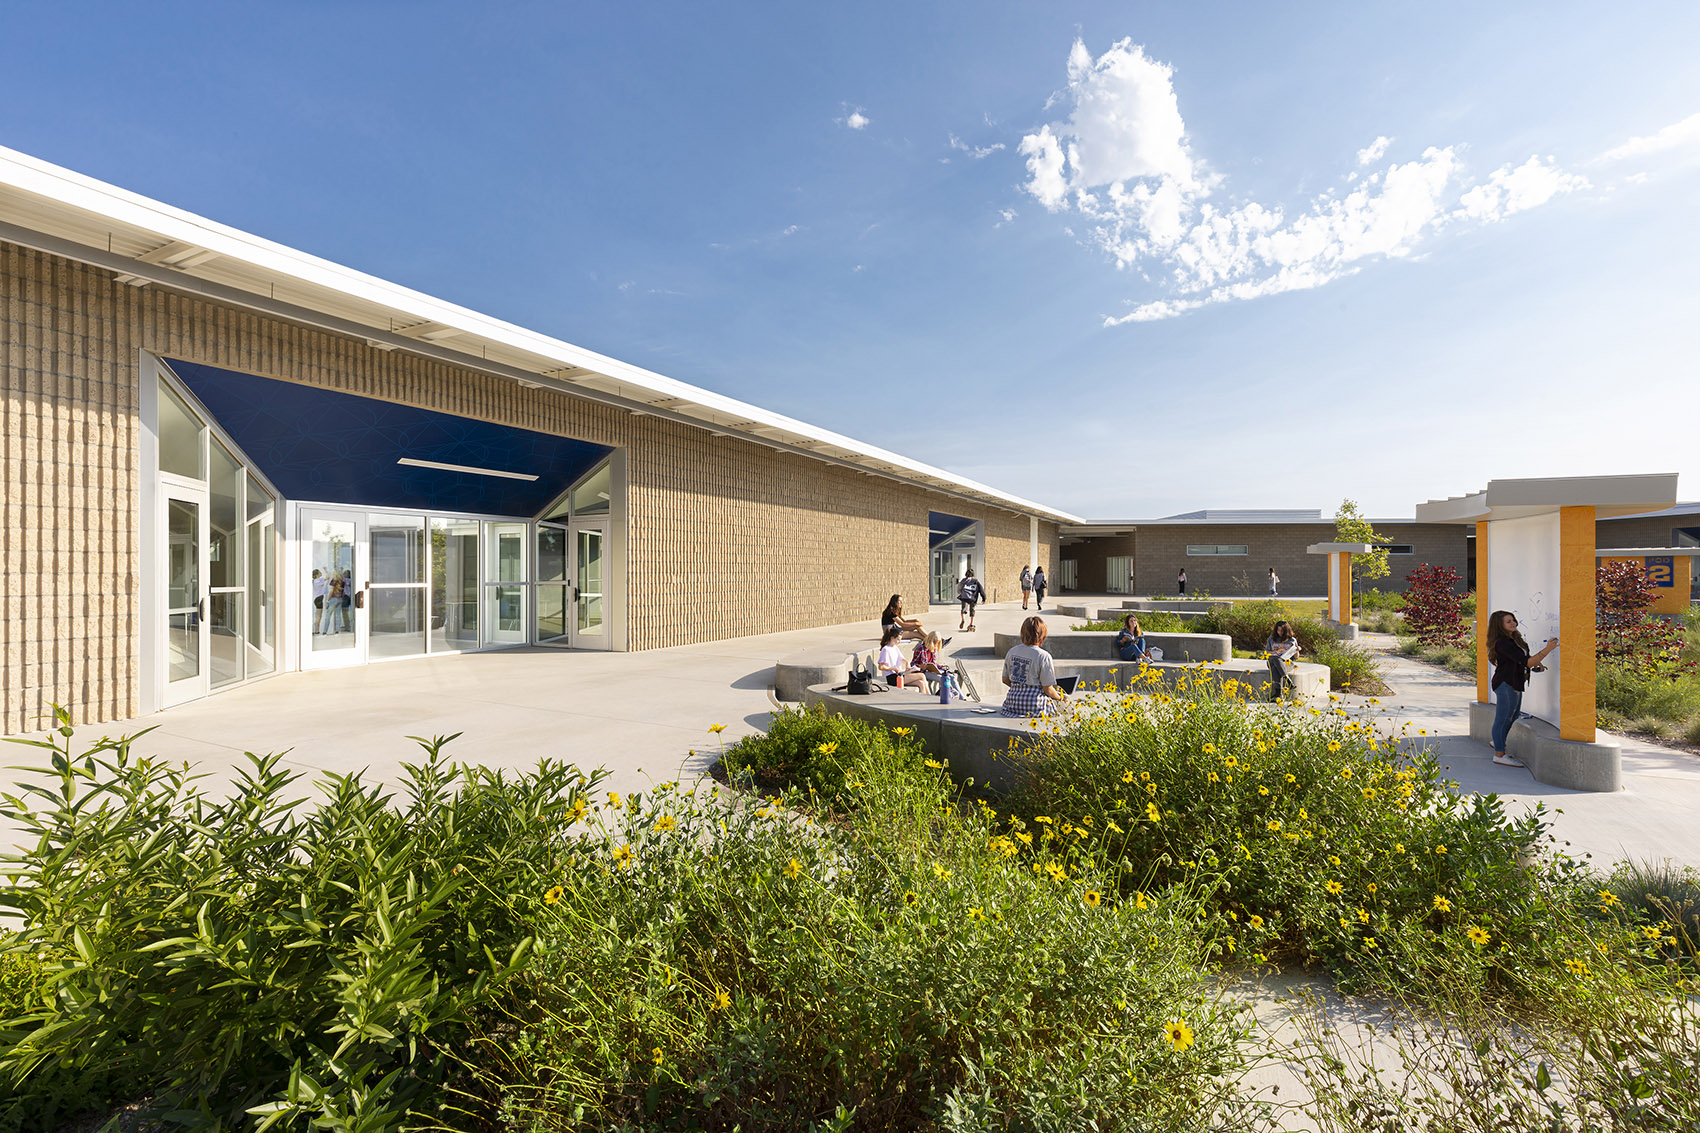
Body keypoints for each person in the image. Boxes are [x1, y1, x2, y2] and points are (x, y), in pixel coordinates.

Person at [1487, 610, 1559, 768]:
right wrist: (1548, 649)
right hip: (1506, 684)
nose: (1513, 623)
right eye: (1508, 621)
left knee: (1512, 717)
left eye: (1513, 620)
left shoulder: (1514, 639)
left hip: (1515, 682)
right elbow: (1526, 662)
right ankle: (1499, 755)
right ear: (1499, 626)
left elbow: (1522, 661)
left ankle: (1498, 741)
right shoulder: (1502, 643)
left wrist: (1535, 666)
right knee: (1503, 718)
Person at [1001, 615, 1066, 718]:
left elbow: (1005, 679)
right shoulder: (1043, 656)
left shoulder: (1012, 652)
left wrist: (1020, 689)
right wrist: (1060, 698)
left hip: (1012, 703)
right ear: (1042, 636)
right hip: (1034, 705)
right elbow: (1047, 689)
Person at [878, 625, 925, 690]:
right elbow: (881, 667)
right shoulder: (885, 649)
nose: (899, 642)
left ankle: (925, 697)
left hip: (899, 674)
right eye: (898, 639)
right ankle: (930, 698)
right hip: (892, 678)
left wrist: (907, 663)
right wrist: (893, 668)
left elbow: (902, 659)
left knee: (920, 683)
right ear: (892, 638)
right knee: (922, 675)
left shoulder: (895, 647)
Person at [1265, 619, 1300, 702]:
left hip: (1287, 663)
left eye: (1282, 631)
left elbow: (1296, 657)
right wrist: (1274, 652)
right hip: (1272, 660)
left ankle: (1278, 694)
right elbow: (1266, 652)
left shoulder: (1292, 640)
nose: (1279, 632)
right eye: (1278, 630)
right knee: (1276, 658)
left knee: (1275, 669)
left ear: (1286, 631)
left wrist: (1297, 650)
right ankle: (1287, 679)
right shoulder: (1272, 638)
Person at [311, 569, 326, 634]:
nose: (321, 573)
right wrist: (326, 570)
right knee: (319, 616)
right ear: (317, 574)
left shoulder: (314, 581)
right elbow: (327, 577)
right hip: (319, 599)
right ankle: (316, 630)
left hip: (316, 599)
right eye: (319, 572)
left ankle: (316, 629)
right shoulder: (319, 580)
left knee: (318, 615)